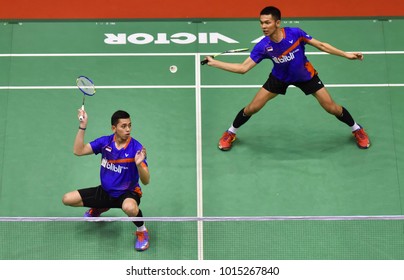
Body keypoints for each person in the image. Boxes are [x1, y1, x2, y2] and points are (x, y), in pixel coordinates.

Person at [204, 6, 370, 151]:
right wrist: (214, 63)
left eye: (267, 22)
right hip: (280, 77)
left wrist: (346, 55)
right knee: (252, 108)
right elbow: (243, 68)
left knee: (331, 107)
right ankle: (230, 133)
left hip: (305, 76)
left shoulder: (295, 34)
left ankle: (357, 129)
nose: (263, 26)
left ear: (277, 22)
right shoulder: (263, 46)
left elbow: (321, 45)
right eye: (261, 22)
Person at [62, 109, 150, 251]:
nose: (128, 129)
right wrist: (82, 126)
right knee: (67, 199)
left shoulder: (136, 149)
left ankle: (142, 230)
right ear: (114, 128)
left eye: (129, 125)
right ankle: (101, 206)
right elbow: (78, 151)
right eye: (123, 126)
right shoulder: (105, 142)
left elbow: (146, 181)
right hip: (105, 191)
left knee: (129, 208)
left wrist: (139, 165)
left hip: (127, 194)